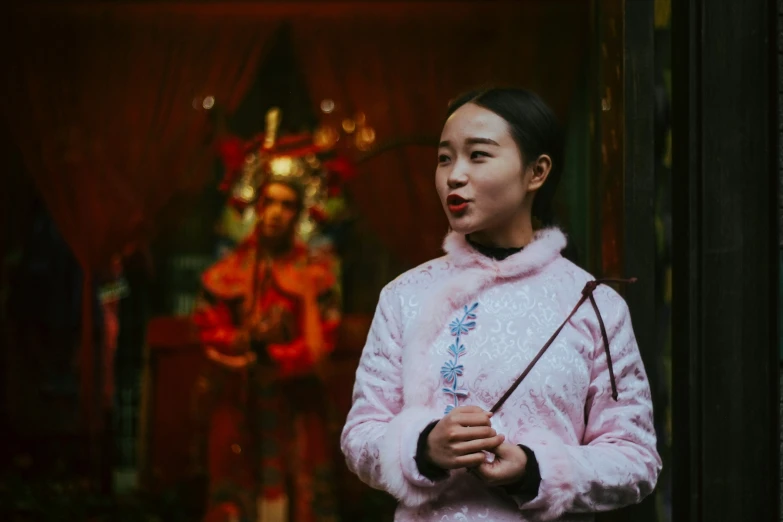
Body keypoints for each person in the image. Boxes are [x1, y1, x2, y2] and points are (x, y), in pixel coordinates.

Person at [341, 88, 661, 521]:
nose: (454, 176)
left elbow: (636, 459)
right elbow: (361, 436)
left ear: (537, 172)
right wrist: (424, 448)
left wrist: (533, 471)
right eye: (444, 158)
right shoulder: (404, 295)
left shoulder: (596, 306)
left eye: (478, 155)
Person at [192, 175, 342, 522]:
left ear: (299, 213)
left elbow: (325, 337)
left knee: (303, 491)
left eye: (286, 205)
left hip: (297, 398)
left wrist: (277, 356)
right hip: (239, 395)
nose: (276, 213)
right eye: (269, 203)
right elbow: (208, 325)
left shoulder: (315, 275)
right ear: (257, 208)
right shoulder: (228, 272)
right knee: (234, 488)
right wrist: (240, 341)